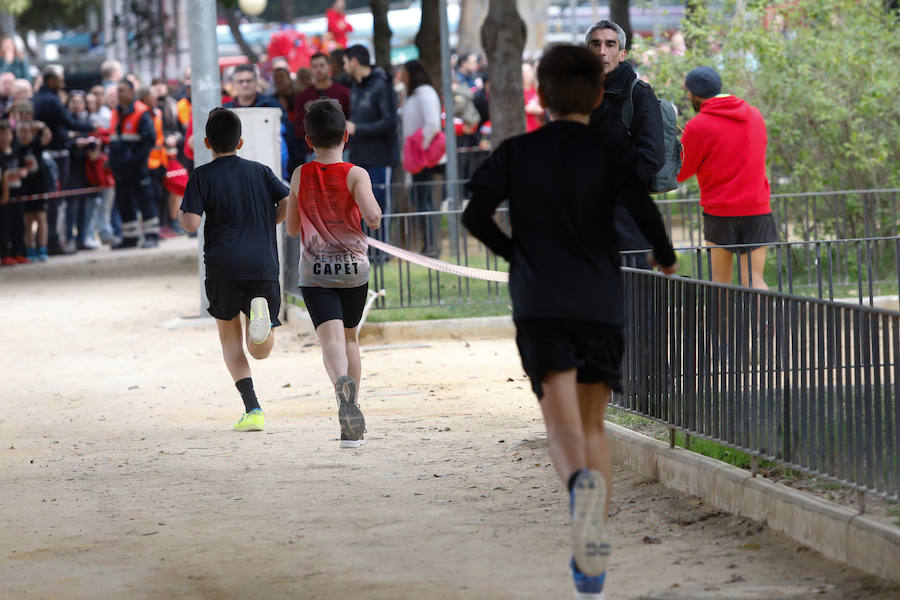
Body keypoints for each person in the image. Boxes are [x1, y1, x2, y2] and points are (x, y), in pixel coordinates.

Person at [462, 44, 677, 599]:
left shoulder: (517, 151)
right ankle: (592, 556)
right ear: (598, 93)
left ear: (542, 95)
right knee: (592, 425)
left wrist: (515, 254)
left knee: (559, 426)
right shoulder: (610, 150)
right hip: (599, 300)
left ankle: (578, 490)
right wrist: (665, 254)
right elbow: (645, 207)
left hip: (540, 301)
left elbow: (473, 213)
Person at [179, 107, 290, 432]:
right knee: (261, 351)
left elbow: (191, 223)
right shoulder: (260, 171)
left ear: (206, 143)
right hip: (261, 263)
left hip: (222, 266)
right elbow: (287, 200)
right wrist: (268, 221)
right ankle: (263, 322)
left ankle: (252, 409)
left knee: (231, 341)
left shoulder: (201, 176)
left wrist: (179, 208)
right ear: (240, 142)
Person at [286, 98, 380, 448]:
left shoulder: (300, 174)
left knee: (331, 342)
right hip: (354, 271)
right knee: (351, 338)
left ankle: (342, 388)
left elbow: (293, 229)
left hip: (315, 273)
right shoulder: (357, 174)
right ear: (346, 135)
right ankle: (351, 413)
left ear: (308, 141)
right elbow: (372, 217)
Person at [677, 66, 775, 290]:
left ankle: (723, 326)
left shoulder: (698, 125)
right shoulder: (754, 115)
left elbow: (681, 172)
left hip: (720, 212)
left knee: (721, 283)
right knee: (754, 280)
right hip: (757, 208)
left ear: (694, 94)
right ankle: (766, 326)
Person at [585, 20, 665, 270]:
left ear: (622, 54)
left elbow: (652, 156)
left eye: (610, 44)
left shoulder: (639, 94)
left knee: (634, 296)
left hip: (627, 215)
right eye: (595, 44)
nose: (601, 51)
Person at [33, 65, 96, 255]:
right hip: (54, 156)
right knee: (55, 199)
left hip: (47, 154)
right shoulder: (51, 100)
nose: (63, 83)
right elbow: (68, 122)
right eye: (60, 79)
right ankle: (52, 240)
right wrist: (91, 126)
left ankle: (50, 239)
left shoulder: (40, 98)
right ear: (51, 80)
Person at [343, 44, 397, 249]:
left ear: (354, 62)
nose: (344, 66)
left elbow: (390, 121)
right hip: (359, 156)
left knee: (380, 204)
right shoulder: (355, 87)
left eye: (345, 62)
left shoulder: (381, 85)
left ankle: (383, 250)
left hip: (379, 158)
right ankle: (368, 249)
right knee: (361, 205)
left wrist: (358, 129)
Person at [398, 59, 445, 258]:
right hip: (417, 157)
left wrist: (420, 149)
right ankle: (428, 243)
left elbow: (432, 123)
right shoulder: (414, 94)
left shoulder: (424, 93)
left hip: (423, 158)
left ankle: (431, 245)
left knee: (425, 201)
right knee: (421, 200)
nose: (401, 76)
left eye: (404, 72)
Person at [108, 79, 159, 249]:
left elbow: (149, 140)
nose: (118, 93)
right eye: (118, 90)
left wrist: (136, 160)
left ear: (131, 92)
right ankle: (130, 237)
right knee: (124, 202)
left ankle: (151, 236)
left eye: (122, 90)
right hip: (120, 168)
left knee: (145, 200)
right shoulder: (115, 112)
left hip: (137, 167)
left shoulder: (141, 112)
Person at [293, 52, 350, 163]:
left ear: (329, 66)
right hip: (312, 151)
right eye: (314, 66)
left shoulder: (343, 92)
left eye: (322, 65)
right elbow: (297, 125)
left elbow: (350, 119)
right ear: (311, 69)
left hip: (340, 151)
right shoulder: (303, 96)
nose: (318, 69)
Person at [12, 116, 53, 261]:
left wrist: (42, 126)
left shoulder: (35, 145)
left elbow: (48, 137)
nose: (23, 134)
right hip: (23, 188)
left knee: (41, 218)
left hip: (39, 186)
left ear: (31, 133)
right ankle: (29, 248)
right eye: (21, 131)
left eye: (26, 131)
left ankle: (42, 248)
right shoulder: (15, 148)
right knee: (28, 219)